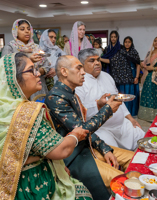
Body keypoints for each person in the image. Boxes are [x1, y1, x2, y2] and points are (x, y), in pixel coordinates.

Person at [0, 52, 93, 200]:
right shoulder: (26, 113)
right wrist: (75, 136)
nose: (38, 74)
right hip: (31, 186)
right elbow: (60, 150)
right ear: (14, 79)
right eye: (32, 70)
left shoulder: (4, 109)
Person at [45, 55, 135, 200]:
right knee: (124, 182)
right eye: (78, 68)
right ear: (64, 71)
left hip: (86, 146)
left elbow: (82, 128)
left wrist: (104, 149)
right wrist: (107, 110)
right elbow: (82, 130)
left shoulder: (72, 94)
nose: (83, 72)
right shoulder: (55, 97)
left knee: (134, 158)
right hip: (73, 155)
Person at [76, 48, 145, 150]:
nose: (97, 63)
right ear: (82, 65)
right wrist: (98, 105)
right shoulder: (79, 83)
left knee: (144, 140)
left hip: (122, 125)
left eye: (98, 60)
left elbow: (119, 99)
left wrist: (130, 119)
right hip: (101, 129)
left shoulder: (107, 76)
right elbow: (80, 112)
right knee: (115, 154)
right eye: (92, 60)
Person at [1, 19, 50, 99]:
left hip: (39, 85)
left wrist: (38, 71)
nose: (27, 31)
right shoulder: (10, 48)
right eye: (22, 29)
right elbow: (6, 69)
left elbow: (46, 65)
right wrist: (29, 61)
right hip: (20, 87)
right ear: (15, 31)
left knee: (40, 108)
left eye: (28, 29)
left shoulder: (36, 47)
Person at [99, 36, 140, 116]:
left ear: (131, 43)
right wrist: (99, 59)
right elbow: (111, 61)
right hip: (121, 78)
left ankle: (131, 113)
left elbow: (138, 65)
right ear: (123, 43)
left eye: (129, 42)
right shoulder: (120, 52)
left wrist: (137, 77)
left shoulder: (134, 52)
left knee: (130, 94)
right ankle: (123, 113)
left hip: (131, 76)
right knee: (122, 95)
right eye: (125, 42)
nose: (127, 44)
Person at [138, 36, 157, 122]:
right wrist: (142, 65)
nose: (156, 43)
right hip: (148, 77)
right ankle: (146, 115)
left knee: (155, 96)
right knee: (147, 95)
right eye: (155, 41)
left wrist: (153, 69)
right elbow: (146, 64)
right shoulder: (149, 53)